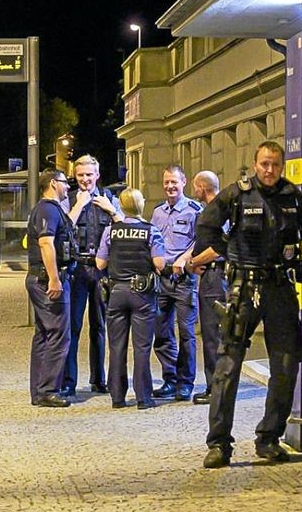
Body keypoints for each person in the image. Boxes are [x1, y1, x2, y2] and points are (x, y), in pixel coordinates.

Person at [197, 141, 302, 469]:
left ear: (282, 165)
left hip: (279, 288)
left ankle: (269, 437)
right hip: (243, 288)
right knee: (227, 368)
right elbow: (206, 227)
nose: (270, 170)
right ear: (255, 164)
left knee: (286, 366)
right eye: (264, 164)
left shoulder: (293, 197)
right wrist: (230, 250)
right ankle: (219, 443)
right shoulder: (237, 194)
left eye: (275, 164)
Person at [96, 188, 166, 410]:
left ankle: (117, 396)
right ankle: (143, 397)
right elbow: (159, 264)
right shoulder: (150, 231)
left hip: (116, 293)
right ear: (140, 206)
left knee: (116, 347)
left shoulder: (111, 231)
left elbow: (100, 264)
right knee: (142, 347)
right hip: (142, 295)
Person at [61, 155, 121, 397]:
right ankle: (69, 381)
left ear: (97, 175)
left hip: (102, 271)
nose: (85, 179)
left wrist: (111, 209)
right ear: (75, 177)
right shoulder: (68, 199)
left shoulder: (110, 198)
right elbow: (61, 228)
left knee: (99, 326)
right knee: (72, 326)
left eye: (89, 175)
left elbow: (126, 228)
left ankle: (99, 379)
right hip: (77, 269)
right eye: (80, 175)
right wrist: (78, 205)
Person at [150, 165, 202, 401]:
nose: (170, 187)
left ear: (184, 182)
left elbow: (201, 242)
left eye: (174, 182)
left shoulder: (194, 210)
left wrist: (185, 257)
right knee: (161, 332)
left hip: (184, 279)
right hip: (162, 279)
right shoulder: (158, 212)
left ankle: (185, 382)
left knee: (186, 333)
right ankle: (169, 378)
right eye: (166, 183)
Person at [27, 168, 76, 408]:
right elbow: (46, 243)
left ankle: (39, 390)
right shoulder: (48, 209)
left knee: (44, 334)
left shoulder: (49, 209)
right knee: (58, 334)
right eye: (65, 182)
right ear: (54, 184)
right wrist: (54, 279)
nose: (68, 187)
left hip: (40, 278)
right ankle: (48, 390)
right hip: (48, 281)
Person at [184, 170, 224, 405]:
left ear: (202, 187)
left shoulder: (219, 210)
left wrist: (194, 262)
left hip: (217, 278)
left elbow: (220, 247)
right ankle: (215, 386)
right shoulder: (211, 209)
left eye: (195, 186)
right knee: (210, 335)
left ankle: (216, 389)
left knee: (214, 335)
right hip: (210, 276)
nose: (194, 190)